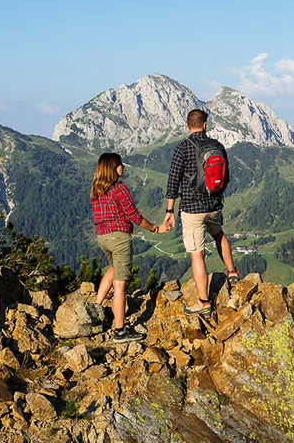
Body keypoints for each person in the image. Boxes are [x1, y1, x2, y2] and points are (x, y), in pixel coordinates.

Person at [164, 109, 239, 317]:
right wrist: (216, 197)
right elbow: (227, 177)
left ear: (188, 126)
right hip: (214, 206)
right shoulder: (217, 146)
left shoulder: (182, 148)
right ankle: (232, 272)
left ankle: (204, 303)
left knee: (197, 254)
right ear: (205, 124)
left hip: (191, 209)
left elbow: (173, 181)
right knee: (219, 234)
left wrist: (170, 209)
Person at [91, 152, 168, 343]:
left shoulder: (96, 190)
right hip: (119, 237)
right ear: (112, 168)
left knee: (113, 268)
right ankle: (120, 331)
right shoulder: (119, 189)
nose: (123, 166)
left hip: (102, 236)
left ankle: (94, 307)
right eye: (119, 164)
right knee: (120, 284)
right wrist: (155, 229)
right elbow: (133, 215)